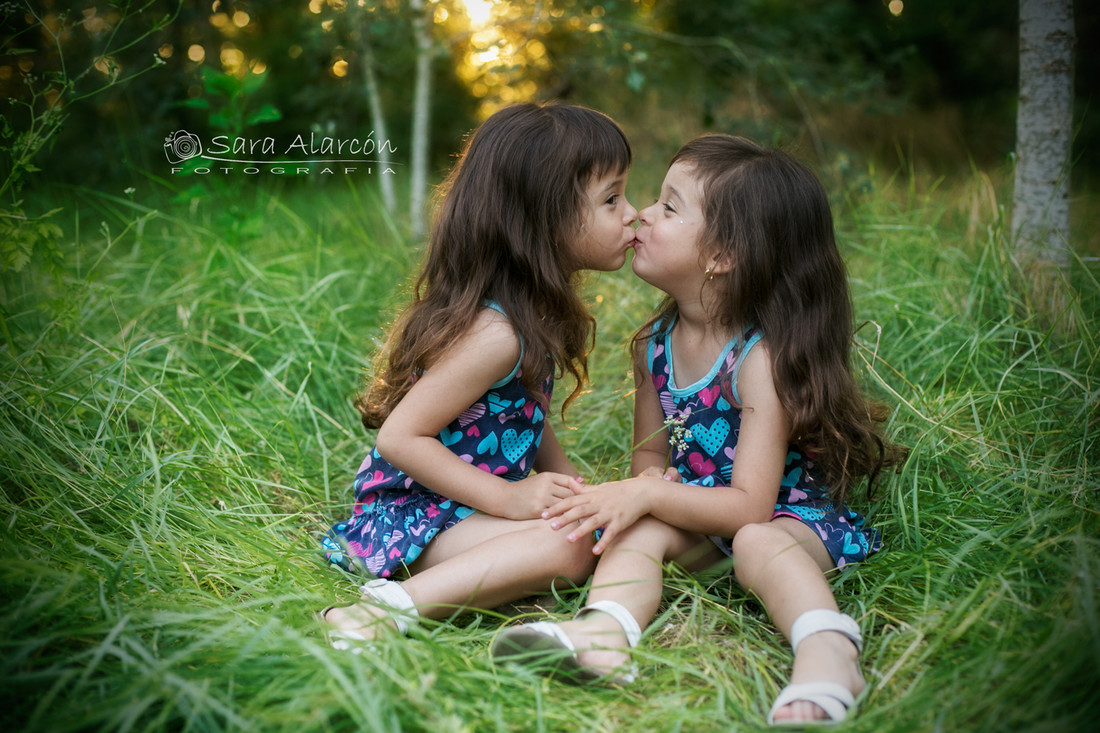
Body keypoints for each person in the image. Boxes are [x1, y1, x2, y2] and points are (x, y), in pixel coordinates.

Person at [491, 134, 905, 726]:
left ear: (723, 254)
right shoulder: (655, 348)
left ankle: (827, 649)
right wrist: (644, 491)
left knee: (758, 546)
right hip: (705, 521)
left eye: (669, 206)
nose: (641, 214)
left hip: (789, 520)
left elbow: (750, 509)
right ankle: (603, 638)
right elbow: (650, 461)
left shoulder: (759, 359)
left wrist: (649, 492)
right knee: (636, 530)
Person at [318, 103, 639, 648]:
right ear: (545, 220)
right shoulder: (497, 334)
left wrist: (574, 490)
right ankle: (382, 611)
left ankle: (496, 580)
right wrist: (510, 501)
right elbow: (400, 437)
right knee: (570, 547)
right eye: (612, 199)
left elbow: (523, 415)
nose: (632, 212)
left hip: (462, 507)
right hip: (414, 517)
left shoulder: (532, 312)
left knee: (587, 531)